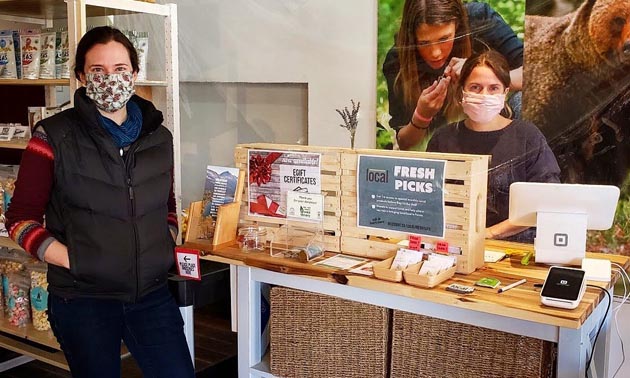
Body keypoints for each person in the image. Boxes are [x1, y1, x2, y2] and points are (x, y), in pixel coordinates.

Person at [6, 26, 194, 378]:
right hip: (84, 300)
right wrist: (73, 260)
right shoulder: (53, 136)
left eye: (121, 70)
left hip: (151, 295)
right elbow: (19, 220)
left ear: (135, 74)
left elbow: (166, 204)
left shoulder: (159, 138)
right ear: (81, 76)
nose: (111, 80)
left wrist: (165, 241)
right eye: (98, 71)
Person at [426, 50, 560, 243]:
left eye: (493, 88)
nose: (484, 95)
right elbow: (428, 198)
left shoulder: (527, 137)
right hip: (455, 244)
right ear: (461, 90)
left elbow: (545, 199)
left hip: (515, 249)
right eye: (475, 87)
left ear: (505, 93)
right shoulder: (443, 139)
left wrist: (489, 234)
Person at [383, 0, 523, 150]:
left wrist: (480, 76)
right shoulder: (398, 59)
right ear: (412, 37)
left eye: (444, 38)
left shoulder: (480, 19)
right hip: (442, 150)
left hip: (499, 135)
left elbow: (531, 74)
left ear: (457, 24)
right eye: (424, 43)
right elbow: (404, 142)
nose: (435, 53)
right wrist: (422, 115)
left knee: (522, 100)